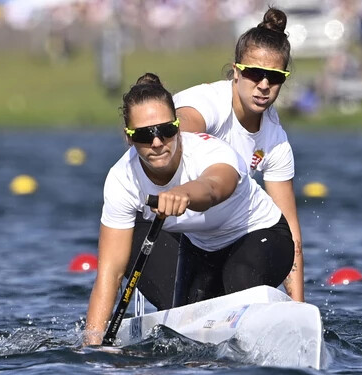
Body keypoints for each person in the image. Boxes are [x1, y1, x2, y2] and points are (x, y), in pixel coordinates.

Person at [84, 73, 294, 345]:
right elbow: (109, 275)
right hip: (202, 249)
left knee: (239, 280)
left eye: (166, 130)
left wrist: (183, 194)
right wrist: (92, 347)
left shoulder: (211, 153)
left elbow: (215, 187)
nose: (158, 142)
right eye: (145, 135)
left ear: (178, 125)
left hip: (261, 234)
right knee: (184, 329)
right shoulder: (121, 179)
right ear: (129, 138)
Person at [173, 7, 304, 302]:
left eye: (275, 77)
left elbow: (291, 228)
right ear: (236, 71)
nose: (264, 85)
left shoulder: (276, 140)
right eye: (255, 73)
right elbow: (177, 135)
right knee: (181, 306)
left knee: (241, 281)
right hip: (175, 224)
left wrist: (299, 308)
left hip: (233, 229)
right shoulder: (209, 103)